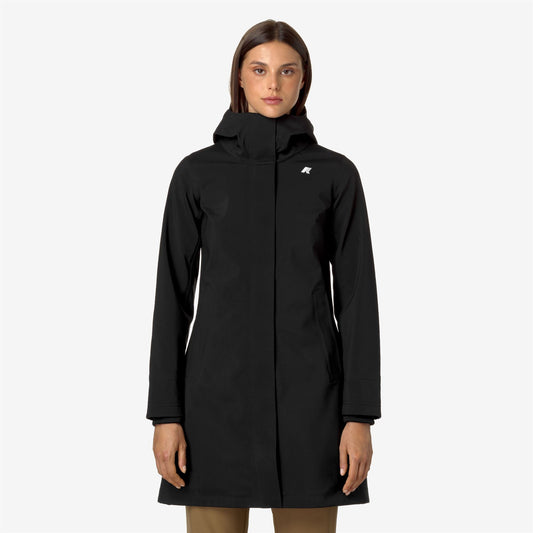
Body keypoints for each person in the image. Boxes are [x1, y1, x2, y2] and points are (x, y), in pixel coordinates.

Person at [146, 19, 381, 533]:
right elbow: (172, 297)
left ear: (303, 80)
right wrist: (166, 415)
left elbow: (358, 300)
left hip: (311, 410)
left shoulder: (336, 174)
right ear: (240, 78)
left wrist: (359, 416)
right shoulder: (196, 174)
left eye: (286, 71)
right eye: (259, 70)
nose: (273, 83)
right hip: (213, 407)